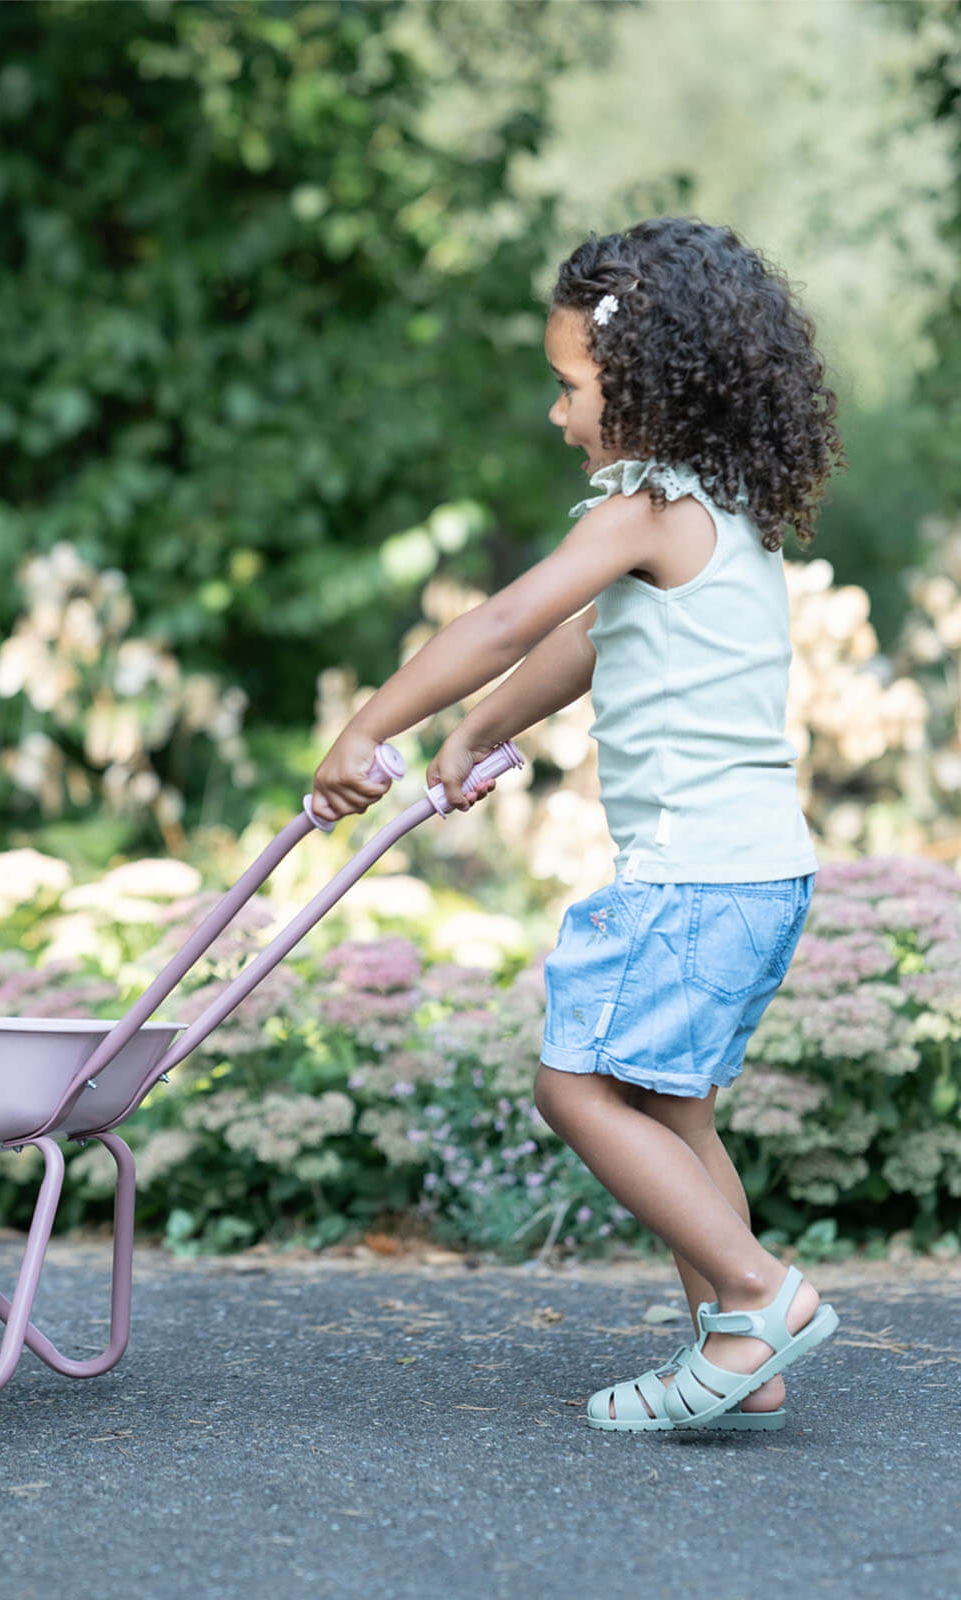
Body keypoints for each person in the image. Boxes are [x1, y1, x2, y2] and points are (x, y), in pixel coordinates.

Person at [310, 216, 846, 1431]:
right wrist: (477, 731)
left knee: (576, 1089)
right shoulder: (722, 511)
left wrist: (370, 723)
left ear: (649, 386)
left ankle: (761, 1294)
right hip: (757, 871)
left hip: (691, 878)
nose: (557, 416)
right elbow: (583, 643)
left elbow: (504, 620)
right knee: (672, 1110)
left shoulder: (643, 508)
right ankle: (741, 1353)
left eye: (570, 388)